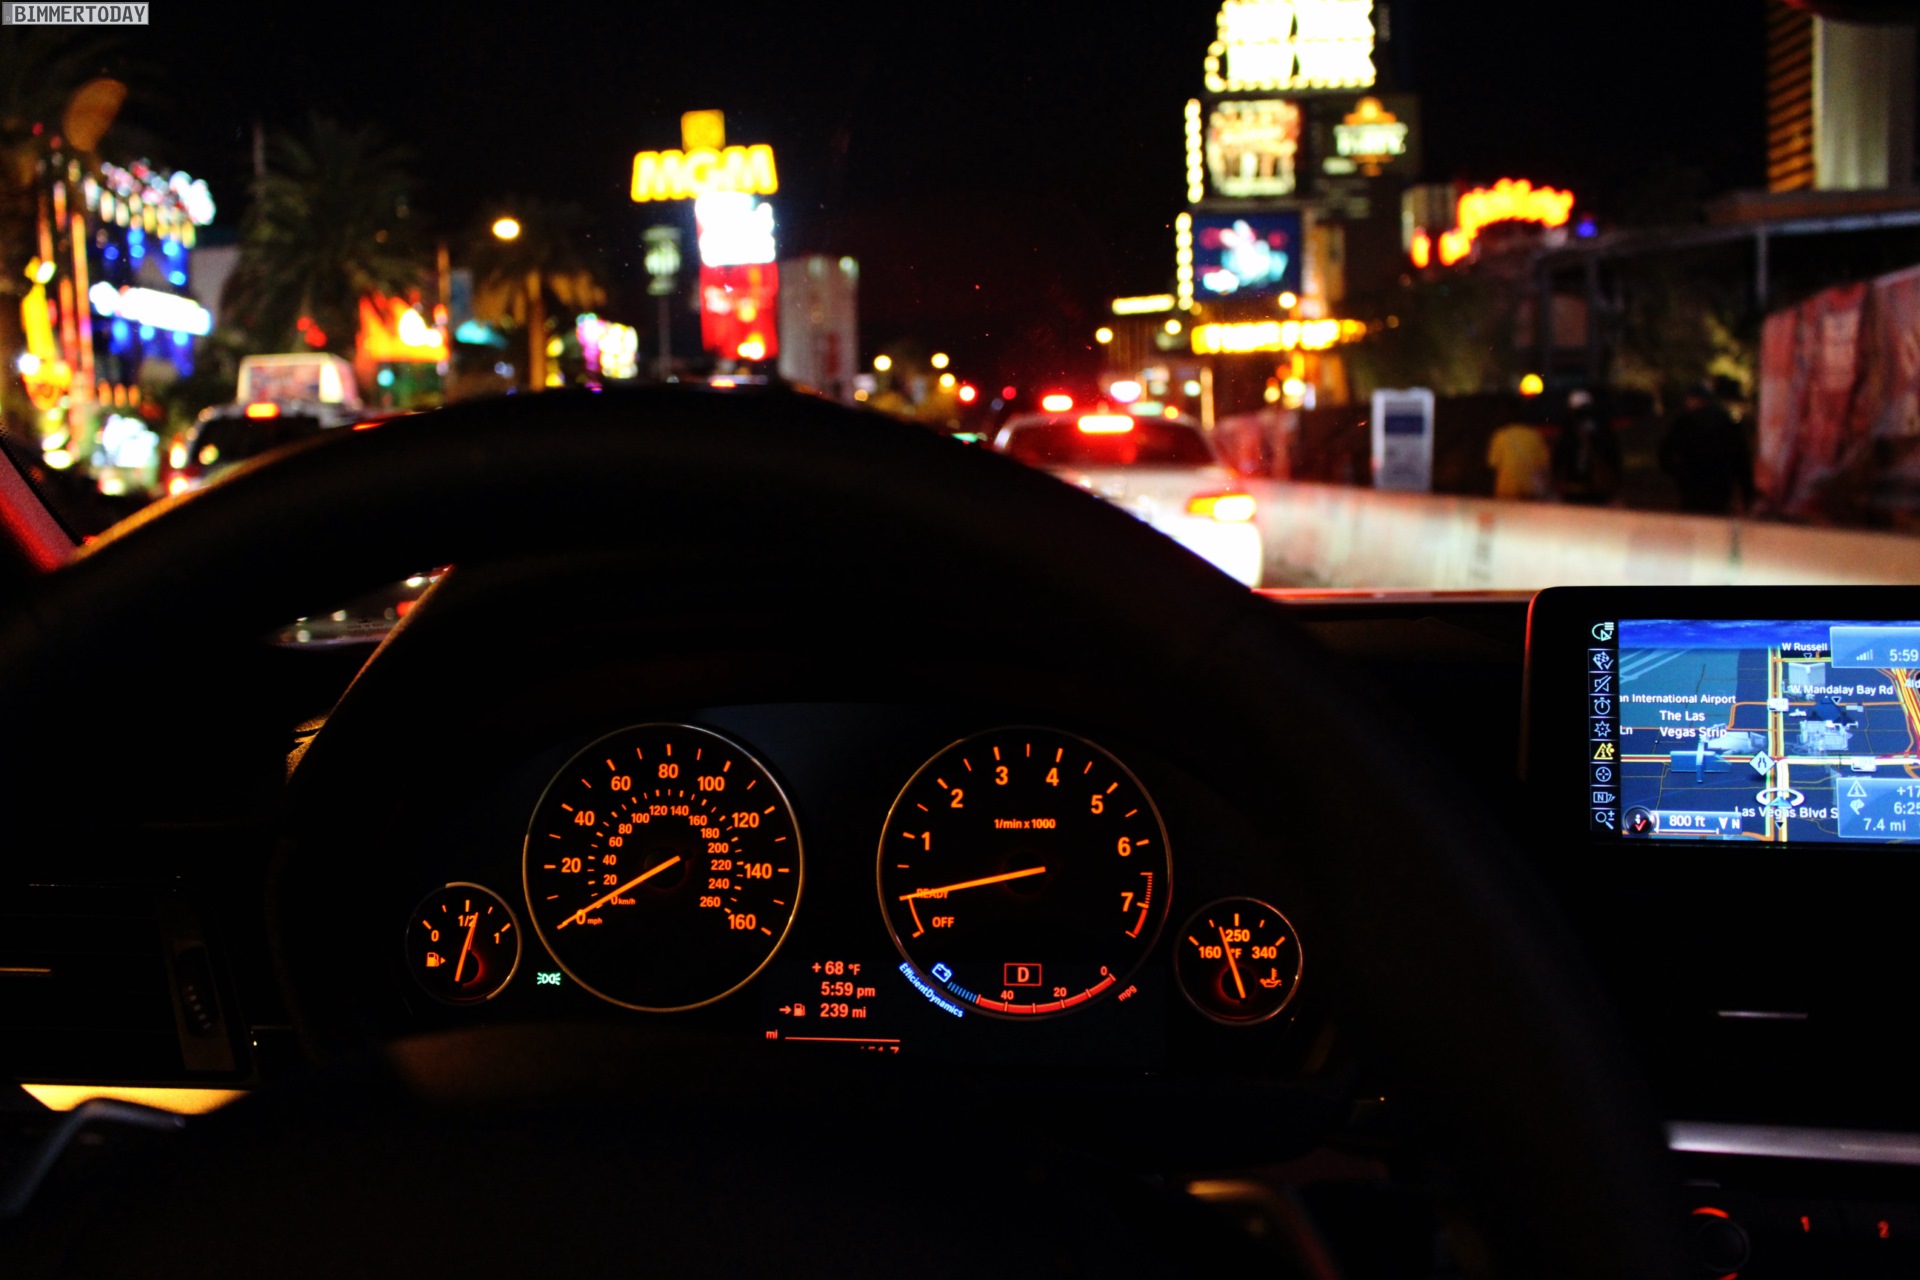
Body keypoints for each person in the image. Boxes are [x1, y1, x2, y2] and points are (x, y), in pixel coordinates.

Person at [1659, 382, 1753, 515]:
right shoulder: (1727, 422)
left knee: (1692, 517)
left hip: (1691, 481)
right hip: (1720, 482)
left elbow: (1665, 451)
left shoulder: (1685, 421)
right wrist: (1746, 490)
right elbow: (1741, 457)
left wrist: (1676, 472)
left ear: (1693, 399)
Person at [1552, 389, 1622, 504]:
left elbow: (1559, 458)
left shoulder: (1568, 430)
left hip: (1574, 492)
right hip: (1598, 491)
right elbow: (1614, 457)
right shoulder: (1603, 428)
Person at [1486, 416, 1553, 500]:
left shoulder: (1501, 435)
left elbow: (1493, 462)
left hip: (1506, 488)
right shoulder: (1535, 435)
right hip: (1530, 487)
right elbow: (1544, 464)